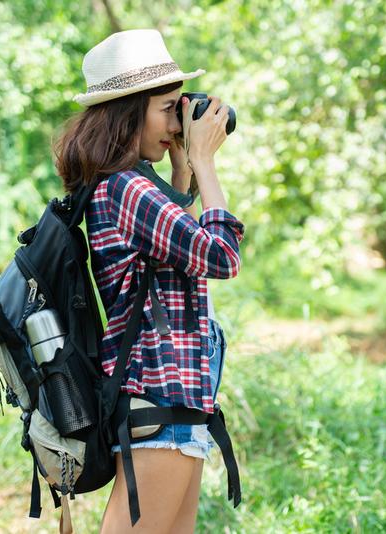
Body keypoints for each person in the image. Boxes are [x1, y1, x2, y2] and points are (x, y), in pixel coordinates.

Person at [54, 29, 245, 533]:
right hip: (158, 402)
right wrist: (204, 163)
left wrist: (182, 171)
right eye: (168, 108)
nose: (177, 120)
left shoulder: (126, 187)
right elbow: (220, 256)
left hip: (174, 403)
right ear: (128, 111)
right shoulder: (125, 187)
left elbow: (167, 255)